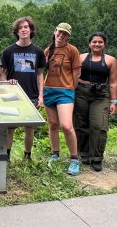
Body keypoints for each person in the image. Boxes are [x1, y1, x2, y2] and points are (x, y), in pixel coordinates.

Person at [1, 17, 46, 160]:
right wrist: (7, 83)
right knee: (9, 128)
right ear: (17, 32)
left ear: (31, 30)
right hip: (12, 95)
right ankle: (6, 156)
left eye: (26, 27)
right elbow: (3, 75)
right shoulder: (8, 51)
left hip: (31, 95)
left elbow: (40, 74)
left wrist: (41, 96)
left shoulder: (38, 51)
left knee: (29, 127)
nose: (24, 30)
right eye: (20, 28)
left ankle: (27, 156)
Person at [73, 32, 117, 171]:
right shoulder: (81, 57)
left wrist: (114, 101)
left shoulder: (110, 60)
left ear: (104, 44)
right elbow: (74, 75)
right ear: (89, 44)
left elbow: (113, 82)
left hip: (101, 94)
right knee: (81, 123)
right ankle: (84, 153)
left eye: (100, 42)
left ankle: (96, 157)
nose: (97, 44)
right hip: (81, 92)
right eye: (94, 42)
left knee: (99, 125)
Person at [44, 23, 81, 175]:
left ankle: (74, 159)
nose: (61, 35)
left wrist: (71, 88)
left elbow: (77, 73)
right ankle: (55, 154)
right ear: (55, 32)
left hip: (65, 92)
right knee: (53, 124)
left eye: (65, 34)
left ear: (68, 36)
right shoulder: (48, 50)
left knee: (66, 126)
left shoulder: (72, 50)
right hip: (48, 90)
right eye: (60, 32)